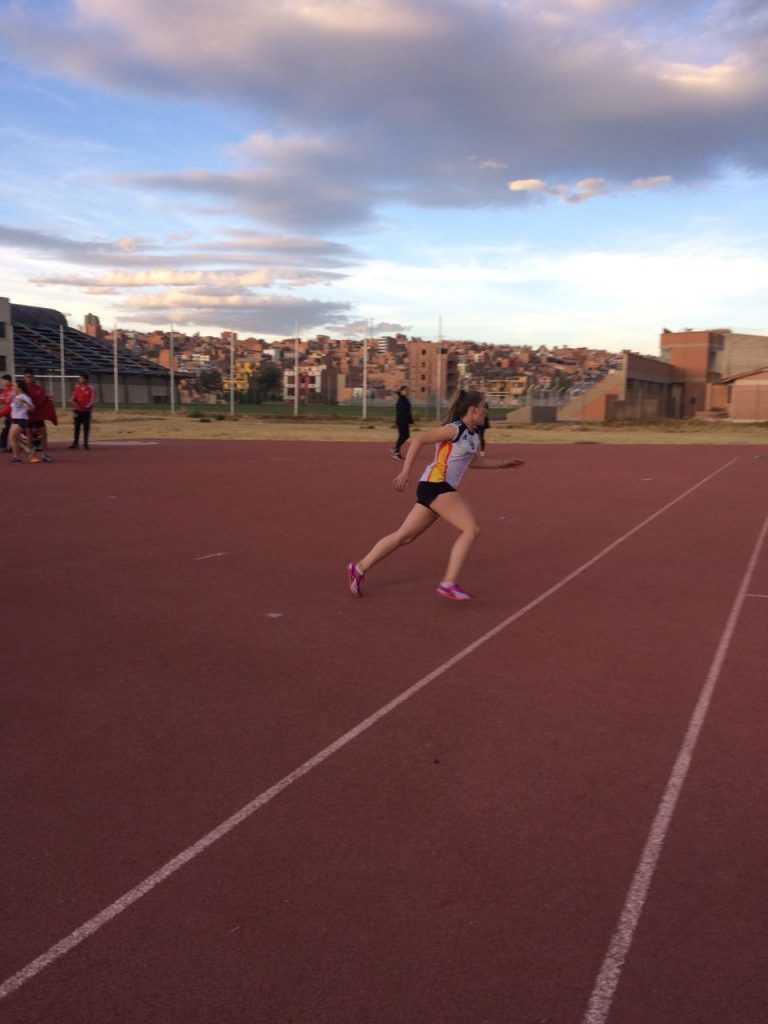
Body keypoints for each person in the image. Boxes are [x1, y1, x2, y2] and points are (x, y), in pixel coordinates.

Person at [347, 389, 524, 601]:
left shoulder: (473, 434)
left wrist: (502, 464)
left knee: (404, 536)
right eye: (484, 406)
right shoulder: (454, 429)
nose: (486, 410)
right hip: (436, 484)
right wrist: (405, 472)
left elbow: (474, 461)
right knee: (471, 528)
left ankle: (359, 568)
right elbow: (419, 440)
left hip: (436, 488)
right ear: (473, 409)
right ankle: (448, 583)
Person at [23, 369, 57, 462]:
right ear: (24, 378)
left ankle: (45, 454)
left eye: (30, 377)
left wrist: (48, 399)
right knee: (29, 435)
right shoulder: (23, 388)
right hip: (28, 415)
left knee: (44, 434)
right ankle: (31, 455)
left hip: (38, 415)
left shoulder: (38, 387)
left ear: (33, 377)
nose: (28, 379)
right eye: (26, 377)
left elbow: (43, 398)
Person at [7, 379, 37, 463]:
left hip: (21, 419)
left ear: (19, 388)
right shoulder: (14, 396)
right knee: (13, 438)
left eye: (14, 386)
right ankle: (27, 450)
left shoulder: (25, 397)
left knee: (12, 438)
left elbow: (32, 409)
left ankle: (17, 457)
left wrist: (26, 403)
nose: (12, 388)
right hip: (14, 419)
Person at [70, 372, 95, 449]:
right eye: (79, 378)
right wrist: (75, 404)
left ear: (86, 380)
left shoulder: (90, 389)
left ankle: (85, 443)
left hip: (86, 411)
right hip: (77, 410)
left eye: (81, 378)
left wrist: (86, 407)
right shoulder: (77, 388)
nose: (79, 380)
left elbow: (92, 400)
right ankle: (75, 442)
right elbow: (72, 398)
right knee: (76, 426)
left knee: (86, 427)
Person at [391, 384, 413, 460]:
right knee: (403, 436)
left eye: (407, 390)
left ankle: (395, 449)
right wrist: (406, 419)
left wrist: (409, 419)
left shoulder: (404, 399)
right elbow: (402, 411)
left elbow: (407, 411)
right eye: (405, 390)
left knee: (406, 436)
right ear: (401, 391)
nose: (407, 392)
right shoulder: (401, 400)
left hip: (404, 421)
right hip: (401, 421)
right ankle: (396, 451)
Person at [0, 374, 12, 452]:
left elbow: (9, 403)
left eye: (3, 381)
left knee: (10, 431)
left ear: (7, 380)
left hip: (13, 415)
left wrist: (1, 413)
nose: (1, 383)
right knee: (5, 430)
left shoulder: (13, 389)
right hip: (8, 414)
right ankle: (4, 445)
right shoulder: (5, 390)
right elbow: (2, 400)